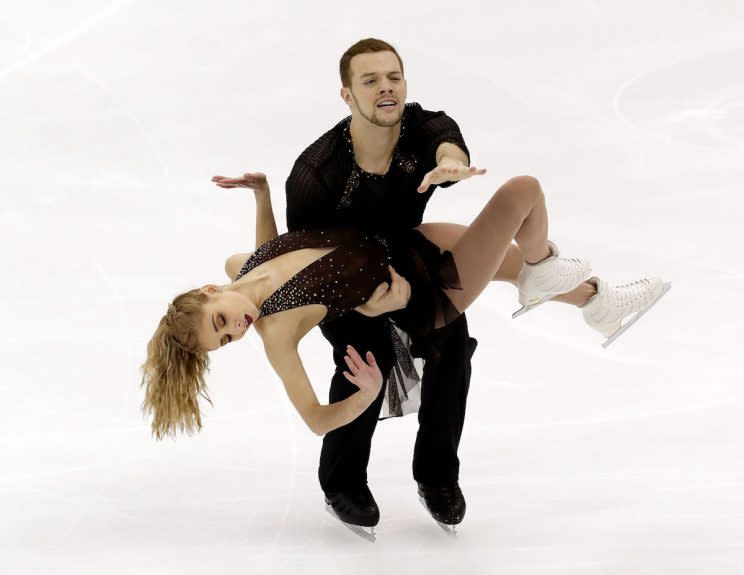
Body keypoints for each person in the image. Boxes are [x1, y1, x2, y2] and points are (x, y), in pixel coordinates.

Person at [140, 167, 668, 534]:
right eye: (228, 339)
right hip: (424, 297)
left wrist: (261, 194)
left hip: (410, 244)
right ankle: (551, 270)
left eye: (221, 321)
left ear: (211, 289)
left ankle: (594, 301)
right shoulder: (276, 333)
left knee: (516, 266)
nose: (238, 327)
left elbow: (264, 254)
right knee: (522, 194)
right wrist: (365, 394)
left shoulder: (241, 266)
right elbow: (316, 420)